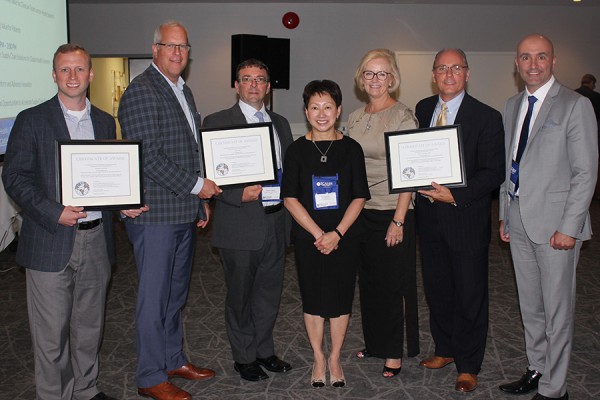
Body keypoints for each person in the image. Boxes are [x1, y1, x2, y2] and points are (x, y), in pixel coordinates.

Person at [1, 43, 147, 400]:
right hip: (50, 238)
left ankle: (85, 389)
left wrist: (120, 205)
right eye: (64, 70)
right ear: (53, 75)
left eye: (79, 69)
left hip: (96, 240)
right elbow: (15, 177)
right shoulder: (31, 119)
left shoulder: (102, 120)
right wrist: (55, 210)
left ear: (90, 75)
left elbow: (105, 179)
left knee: (88, 327)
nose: (72, 76)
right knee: (51, 335)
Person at [118, 21, 221, 400]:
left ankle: (172, 358)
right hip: (155, 216)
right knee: (153, 298)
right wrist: (198, 187)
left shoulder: (183, 90)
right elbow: (149, 157)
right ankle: (149, 376)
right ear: (155, 48)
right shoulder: (141, 91)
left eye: (183, 46)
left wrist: (200, 200)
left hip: (182, 211)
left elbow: (191, 152)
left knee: (175, 294)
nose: (177, 52)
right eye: (169, 45)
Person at [498, 34, 598, 400]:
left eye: (541, 57)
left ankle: (556, 389)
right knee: (531, 305)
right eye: (525, 57)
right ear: (517, 63)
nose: (533, 64)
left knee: (557, 310)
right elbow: (510, 166)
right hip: (520, 219)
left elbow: (585, 172)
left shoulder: (574, 105)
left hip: (557, 226)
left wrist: (569, 228)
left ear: (553, 61)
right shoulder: (512, 105)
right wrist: (505, 214)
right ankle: (537, 369)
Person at [414, 48, 505, 393]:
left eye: (456, 68)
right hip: (429, 218)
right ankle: (445, 349)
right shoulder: (423, 109)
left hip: (465, 217)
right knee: (437, 288)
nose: (449, 74)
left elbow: (492, 172)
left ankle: (468, 364)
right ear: (433, 74)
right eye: (442, 68)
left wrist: (455, 194)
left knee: (469, 293)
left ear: (467, 73)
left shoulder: (487, 116)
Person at [202, 59, 294, 382]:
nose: (254, 85)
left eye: (260, 79)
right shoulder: (217, 122)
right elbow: (209, 174)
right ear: (236, 86)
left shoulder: (281, 123)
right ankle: (244, 356)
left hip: (276, 221)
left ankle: (264, 350)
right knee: (240, 295)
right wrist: (234, 194)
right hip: (240, 222)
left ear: (269, 87)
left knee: (269, 293)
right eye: (247, 79)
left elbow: (290, 171)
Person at [282, 80, 370, 388]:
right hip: (309, 237)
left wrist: (337, 234)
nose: (322, 114)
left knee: (340, 299)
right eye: (315, 107)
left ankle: (335, 358)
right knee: (314, 299)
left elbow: (359, 195)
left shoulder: (351, 148)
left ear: (339, 110)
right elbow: (289, 198)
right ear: (306, 112)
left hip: (344, 236)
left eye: (328, 107)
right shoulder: (296, 151)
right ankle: (319, 357)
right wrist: (320, 233)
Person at [347, 48, 419, 378]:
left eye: (382, 74)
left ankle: (393, 352)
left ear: (392, 78)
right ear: (361, 79)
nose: (375, 80)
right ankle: (375, 343)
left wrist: (399, 220)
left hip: (392, 210)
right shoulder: (355, 117)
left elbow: (409, 172)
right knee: (370, 283)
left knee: (392, 285)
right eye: (369, 73)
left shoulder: (403, 116)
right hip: (361, 210)